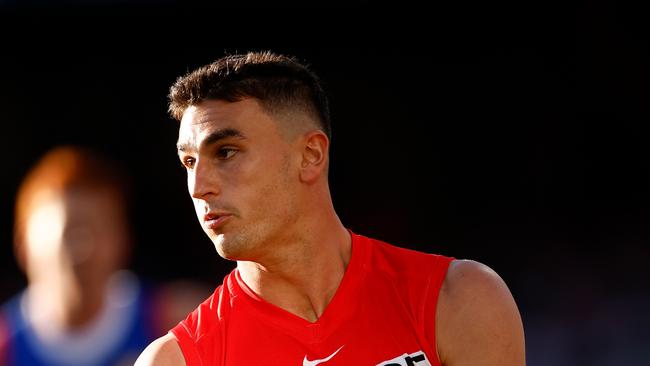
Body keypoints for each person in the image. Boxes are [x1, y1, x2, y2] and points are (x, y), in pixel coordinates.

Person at [136, 51, 526, 366]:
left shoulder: (458, 299)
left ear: (311, 155)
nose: (199, 186)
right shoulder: (176, 360)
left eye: (225, 152)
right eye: (188, 162)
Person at [0, 145, 209, 366]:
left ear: (124, 240)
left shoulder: (178, 322)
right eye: (70, 232)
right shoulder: (5, 346)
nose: (84, 249)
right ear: (24, 244)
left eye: (98, 230)